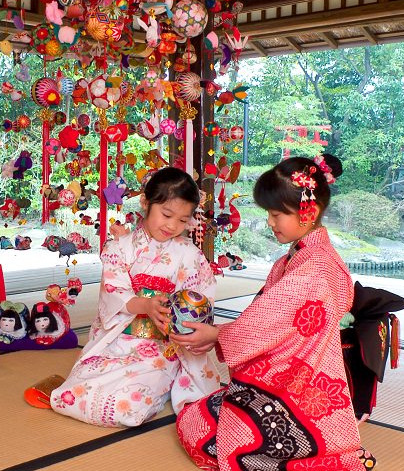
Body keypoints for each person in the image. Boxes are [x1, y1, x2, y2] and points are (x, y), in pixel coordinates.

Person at [172, 154, 371, 470]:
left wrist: (218, 334)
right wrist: (223, 334)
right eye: (270, 213)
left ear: (309, 211)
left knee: (202, 434)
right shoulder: (301, 257)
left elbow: (265, 325)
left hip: (298, 388)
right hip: (293, 376)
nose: (270, 222)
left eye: (277, 214)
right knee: (197, 416)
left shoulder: (315, 266)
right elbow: (266, 318)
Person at [48, 167, 222, 427]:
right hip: (118, 338)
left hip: (163, 345)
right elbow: (114, 292)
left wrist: (184, 321)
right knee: (72, 392)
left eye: (183, 220)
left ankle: (160, 384)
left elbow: (200, 298)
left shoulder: (189, 254)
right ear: (145, 202)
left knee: (128, 406)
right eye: (166, 214)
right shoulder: (119, 248)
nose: (173, 226)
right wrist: (145, 305)